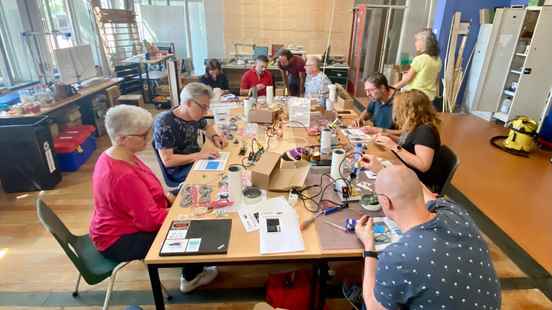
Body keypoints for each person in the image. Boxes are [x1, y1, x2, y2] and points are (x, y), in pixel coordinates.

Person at [90, 105, 218, 294]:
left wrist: (170, 197)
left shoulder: (119, 155)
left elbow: (147, 191)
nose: (149, 138)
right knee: (197, 224)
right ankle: (190, 278)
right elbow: (149, 221)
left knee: (195, 191)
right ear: (122, 139)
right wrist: (183, 212)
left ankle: (192, 259)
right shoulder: (122, 175)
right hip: (119, 239)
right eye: (143, 136)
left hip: (133, 218)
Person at [353, 165, 501, 309]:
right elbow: (427, 195)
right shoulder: (455, 211)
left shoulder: (397, 257)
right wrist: (385, 172)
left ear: (386, 202)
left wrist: (369, 247)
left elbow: (374, 307)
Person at [153, 82, 227, 184]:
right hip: (180, 169)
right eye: (203, 107)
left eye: (207, 108)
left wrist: (215, 136)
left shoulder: (194, 115)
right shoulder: (164, 122)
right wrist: (198, 156)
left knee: (227, 165)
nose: (205, 112)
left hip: (197, 158)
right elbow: (168, 160)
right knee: (219, 178)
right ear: (188, 103)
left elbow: (207, 126)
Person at [369, 90, 442, 191]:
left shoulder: (425, 131)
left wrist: (394, 146)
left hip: (420, 184)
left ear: (409, 110)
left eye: (398, 109)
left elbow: (423, 165)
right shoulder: (416, 124)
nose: (395, 112)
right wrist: (389, 136)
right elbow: (409, 143)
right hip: (406, 171)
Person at [393, 29, 442, 102]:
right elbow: (436, 80)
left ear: (424, 42)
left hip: (415, 97)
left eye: (417, 40)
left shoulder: (420, 59)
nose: (415, 43)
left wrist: (391, 88)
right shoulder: (438, 60)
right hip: (429, 99)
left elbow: (406, 80)